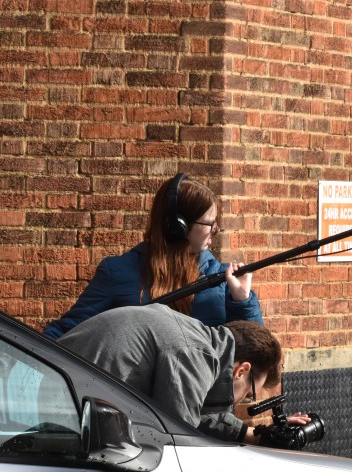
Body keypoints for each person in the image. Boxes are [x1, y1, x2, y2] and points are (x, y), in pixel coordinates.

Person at [43, 173, 263, 339]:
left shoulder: (223, 282)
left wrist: (242, 301)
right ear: (178, 227)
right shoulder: (118, 273)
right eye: (209, 223)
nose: (216, 230)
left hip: (205, 400)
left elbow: (255, 354)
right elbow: (67, 333)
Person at [59, 303, 305, 444]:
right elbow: (178, 439)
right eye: (250, 395)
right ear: (242, 371)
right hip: (61, 414)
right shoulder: (194, 354)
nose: (241, 402)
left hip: (60, 399)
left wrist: (258, 435)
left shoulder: (195, 337)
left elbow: (192, 410)